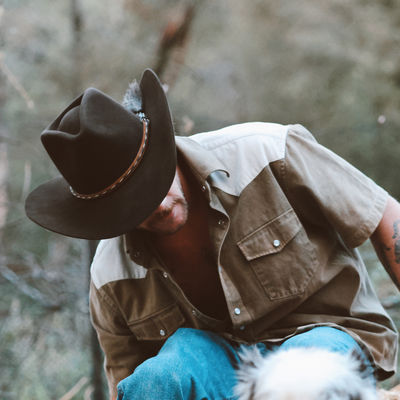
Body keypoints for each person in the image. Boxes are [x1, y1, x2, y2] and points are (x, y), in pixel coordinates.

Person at [25, 69, 400, 400]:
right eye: (132, 205)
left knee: (294, 384)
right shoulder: (110, 276)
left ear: (163, 146)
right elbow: (127, 381)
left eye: (155, 182)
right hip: (218, 368)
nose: (156, 205)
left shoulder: (268, 152)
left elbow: (384, 217)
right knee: (155, 382)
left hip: (324, 339)